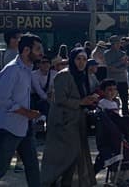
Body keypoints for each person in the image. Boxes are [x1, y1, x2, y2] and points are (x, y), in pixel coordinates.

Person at [40, 47, 98, 187]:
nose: (81, 62)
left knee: (76, 157)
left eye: (84, 59)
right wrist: (81, 102)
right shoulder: (63, 75)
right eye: (78, 59)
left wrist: (90, 101)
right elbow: (60, 99)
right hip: (63, 123)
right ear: (72, 60)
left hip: (77, 122)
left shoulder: (84, 76)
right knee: (63, 157)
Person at [0, 32, 43, 187]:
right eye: (37, 49)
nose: (41, 53)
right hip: (9, 129)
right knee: (1, 168)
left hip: (25, 128)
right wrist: (26, 112)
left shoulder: (27, 70)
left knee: (33, 168)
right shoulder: (12, 70)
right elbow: (2, 99)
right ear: (26, 50)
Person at [104, 36, 129, 117]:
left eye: (119, 43)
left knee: (125, 100)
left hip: (123, 79)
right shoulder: (107, 53)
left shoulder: (123, 53)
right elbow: (110, 67)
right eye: (117, 43)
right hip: (112, 80)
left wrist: (118, 67)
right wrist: (120, 62)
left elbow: (125, 66)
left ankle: (126, 117)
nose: (119, 44)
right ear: (112, 44)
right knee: (111, 99)